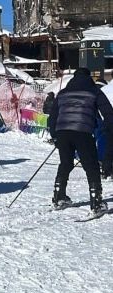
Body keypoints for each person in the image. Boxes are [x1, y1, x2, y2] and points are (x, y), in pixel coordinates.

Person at [48, 67, 113, 213]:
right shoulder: (95, 91)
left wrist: (54, 135)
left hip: (62, 131)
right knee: (91, 166)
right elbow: (108, 114)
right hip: (83, 131)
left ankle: (59, 196)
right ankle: (96, 202)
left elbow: (53, 116)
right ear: (89, 77)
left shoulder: (63, 93)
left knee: (65, 163)